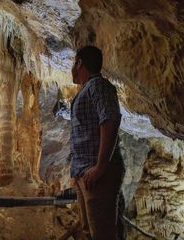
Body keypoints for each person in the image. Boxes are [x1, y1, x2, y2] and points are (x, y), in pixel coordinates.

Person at [69, 45, 125, 240]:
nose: (71, 67)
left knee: (103, 234)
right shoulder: (87, 90)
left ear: (79, 63)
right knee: (89, 234)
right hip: (85, 173)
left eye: (72, 62)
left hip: (98, 174)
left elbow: (110, 119)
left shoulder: (98, 86)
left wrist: (100, 166)